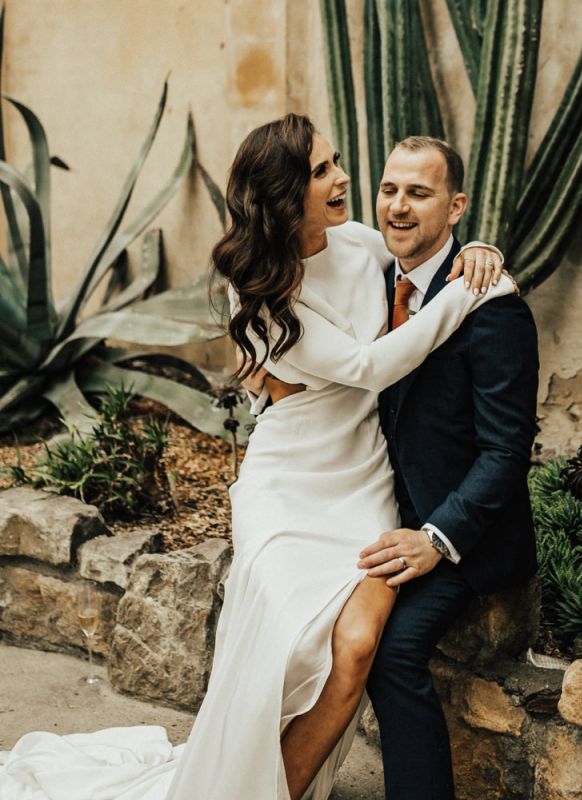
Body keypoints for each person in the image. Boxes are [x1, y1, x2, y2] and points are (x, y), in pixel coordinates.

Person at [0, 114, 513, 800]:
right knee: (284, 651)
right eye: (323, 171)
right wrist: (474, 293)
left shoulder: (358, 241)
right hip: (289, 482)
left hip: (362, 480)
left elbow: (420, 251)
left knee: (355, 647)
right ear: (283, 194)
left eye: (335, 163)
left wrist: (476, 248)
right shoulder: (268, 293)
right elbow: (365, 365)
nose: (344, 180)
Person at [358, 136, 539, 799]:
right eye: (389, 189)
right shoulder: (370, 281)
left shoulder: (493, 304)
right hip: (376, 508)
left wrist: (436, 540)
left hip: (468, 535)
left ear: (456, 205)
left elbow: (505, 452)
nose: (398, 208)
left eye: (419, 192)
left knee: (392, 648)